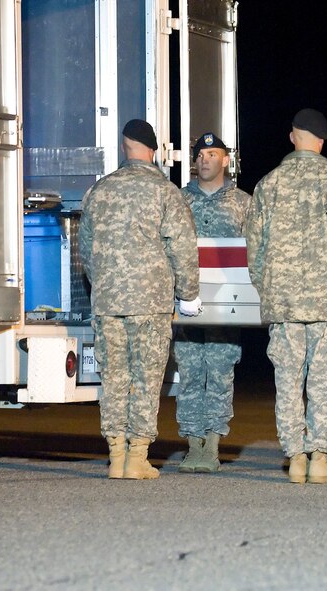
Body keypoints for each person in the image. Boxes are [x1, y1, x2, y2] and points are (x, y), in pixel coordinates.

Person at [245, 108, 327, 484]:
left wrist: (267, 287)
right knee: (322, 381)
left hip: (282, 302)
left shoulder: (269, 184)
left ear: (292, 137)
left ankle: (294, 458)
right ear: (321, 141)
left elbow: (254, 248)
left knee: (287, 381)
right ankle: (319, 457)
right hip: (326, 302)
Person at [78, 119, 201, 480]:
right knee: (147, 379)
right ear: (153, 150)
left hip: (109, 301)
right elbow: (182, 249)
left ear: (123, 147)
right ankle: (138, 457)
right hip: (151, 303)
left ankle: (116, 457)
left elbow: (86, 251)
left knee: (114, 378)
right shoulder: (164, 191)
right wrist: (189, 294)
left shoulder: (99, 191)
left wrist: (103, 284)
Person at [174, 132, 251, 473]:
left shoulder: (244, 203)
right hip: (186, 303)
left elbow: (256, 251)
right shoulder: (177, 201)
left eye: (212, 153)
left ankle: (213, 444)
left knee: (219, 374)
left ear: (226, 160)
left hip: (226, 305)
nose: (204, 159)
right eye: (200, 154)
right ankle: (193, 444)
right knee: (190, 374)